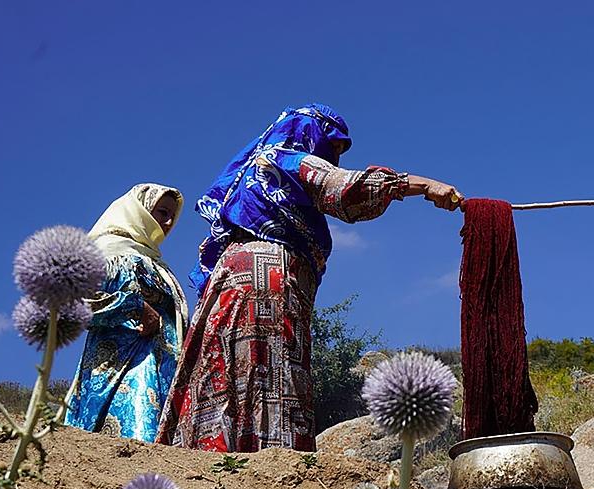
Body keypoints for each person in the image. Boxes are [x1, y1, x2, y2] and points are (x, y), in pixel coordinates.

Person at [156, 104, 463, 453]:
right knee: (268, 366)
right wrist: (424, 186)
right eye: (332, 147)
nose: (335, 159)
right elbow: (346, 190)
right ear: (311, 134)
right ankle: (269, 460)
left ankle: (207, 455)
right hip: (266, 280)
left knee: (224, 365)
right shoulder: (285, 159)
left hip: (229, 281)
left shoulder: (252, 174)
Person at [65, 184, 187, 441]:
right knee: (134, 436)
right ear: (140, 209)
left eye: (171, 217)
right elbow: (76, 301)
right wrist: (136, 307)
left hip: (161, 365)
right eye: (162, 212)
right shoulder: (109, 248)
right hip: (123, 367)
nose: (166, 222)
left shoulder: (154, 260)